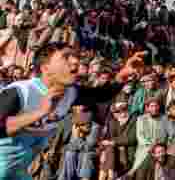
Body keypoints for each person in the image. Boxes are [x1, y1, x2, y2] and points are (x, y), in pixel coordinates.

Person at [0, 44, 145, 180]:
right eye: (66, 57)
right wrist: (40, 112)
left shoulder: (70, 93)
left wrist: (122, 75)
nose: (75, 61)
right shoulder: (21, 91)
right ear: (45, 68)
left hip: (15, 172)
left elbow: (101, 95)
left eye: (75, 56)